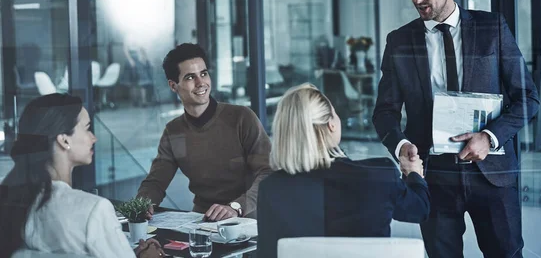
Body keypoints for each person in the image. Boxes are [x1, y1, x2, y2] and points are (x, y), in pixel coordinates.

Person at [372, 0, 540, 258]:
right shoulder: (399, 41)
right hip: (434, 176)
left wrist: (489, 138)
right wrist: (401, 146)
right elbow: (384, 112)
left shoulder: (492, 29)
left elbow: (527, 98)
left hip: (492, 174)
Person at [257, 83, 430, 258]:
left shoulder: (271, 188)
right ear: (331, 124)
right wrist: (414, 173)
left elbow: (267, 253)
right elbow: (419, 209)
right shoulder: (379, 175)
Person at [0, 94, 164, 258]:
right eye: (87, 128)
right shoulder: (93, 210)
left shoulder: (12, 203)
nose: (94, 138)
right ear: (64, 140)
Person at [137, 43, 272, 221]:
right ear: (173, 85)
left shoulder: (241, 118)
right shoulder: (174, 131)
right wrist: (141, 205)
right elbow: (156, 181)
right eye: (190, 77)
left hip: (249, 218)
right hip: (203, 221)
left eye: (204, 73)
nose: (201, 83)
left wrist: (236, 206)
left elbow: (268, 172)